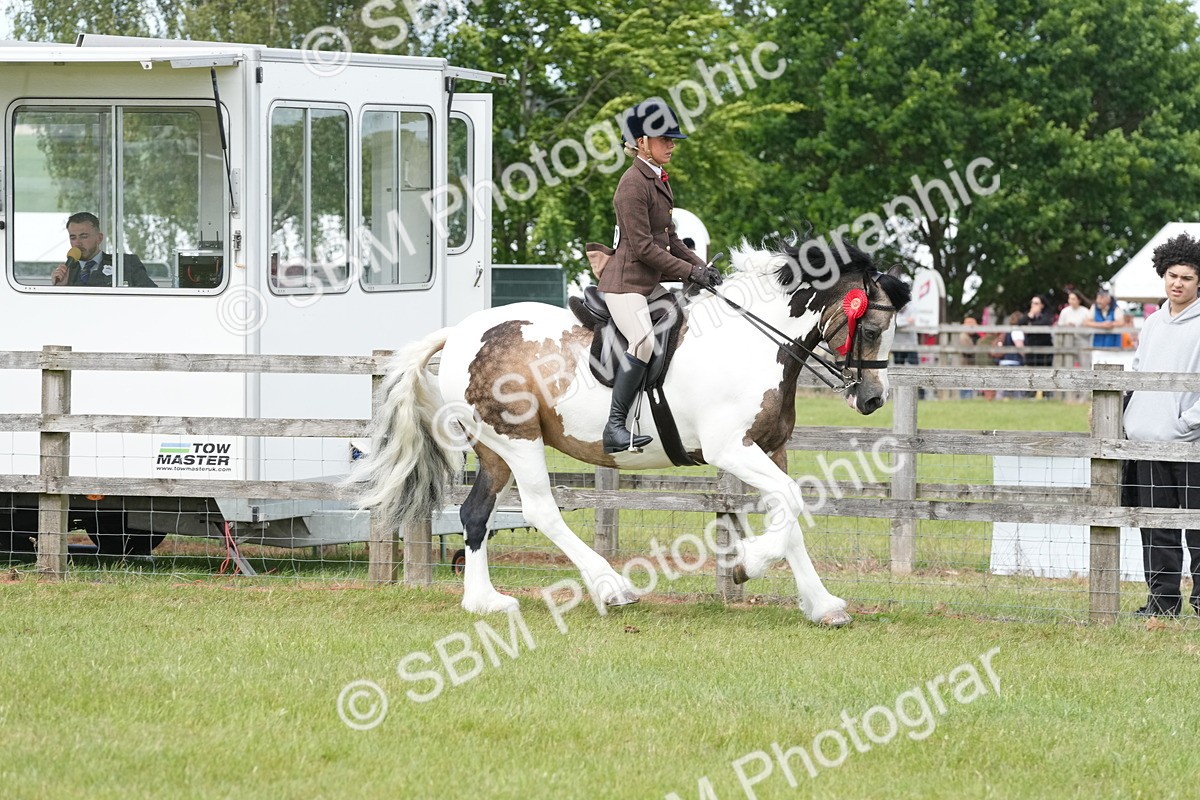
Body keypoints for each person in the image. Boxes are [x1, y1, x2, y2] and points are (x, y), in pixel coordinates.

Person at [596, 99, 719, 454]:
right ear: (642, 142)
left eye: (672, 139)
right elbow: (645, 249)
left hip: (647, 283)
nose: (672, 144)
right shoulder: (632, 185)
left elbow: (671, 239)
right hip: (625, 284)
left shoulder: (657, 180)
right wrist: (688, 273)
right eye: (665, 138)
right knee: (644, 342)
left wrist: (703, 267)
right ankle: (615, 426)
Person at [1123, 232, 1200, 617]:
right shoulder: (1152, 323)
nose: (1177, 283)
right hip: (1147, 442)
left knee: (1199, 529)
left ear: (1198, 281)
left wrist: (1188, 424)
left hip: (1190, 445)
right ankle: (1162, 602)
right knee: (1156, 528)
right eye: (1172, 275)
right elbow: (1138, 374)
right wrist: (1129, 417)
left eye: (1186, 277)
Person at [49, 212, 156, 288]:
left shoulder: (126, 263)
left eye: (84, 236)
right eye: (73, 237)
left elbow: (152, 297)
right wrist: (60, 288)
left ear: (99, 238)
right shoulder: (67, 272)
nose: (77, 243)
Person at [1020, 295, 1054, 368]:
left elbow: (1044, 323)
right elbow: (1019, 323)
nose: (1033, 305)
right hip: (1031, 347)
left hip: (1044, 348)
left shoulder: (1046, 315)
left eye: (1036, 303)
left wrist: (1030, 324)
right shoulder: (1028, 314)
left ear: (1042, 305)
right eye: (1032, 303)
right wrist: (1030, 315)